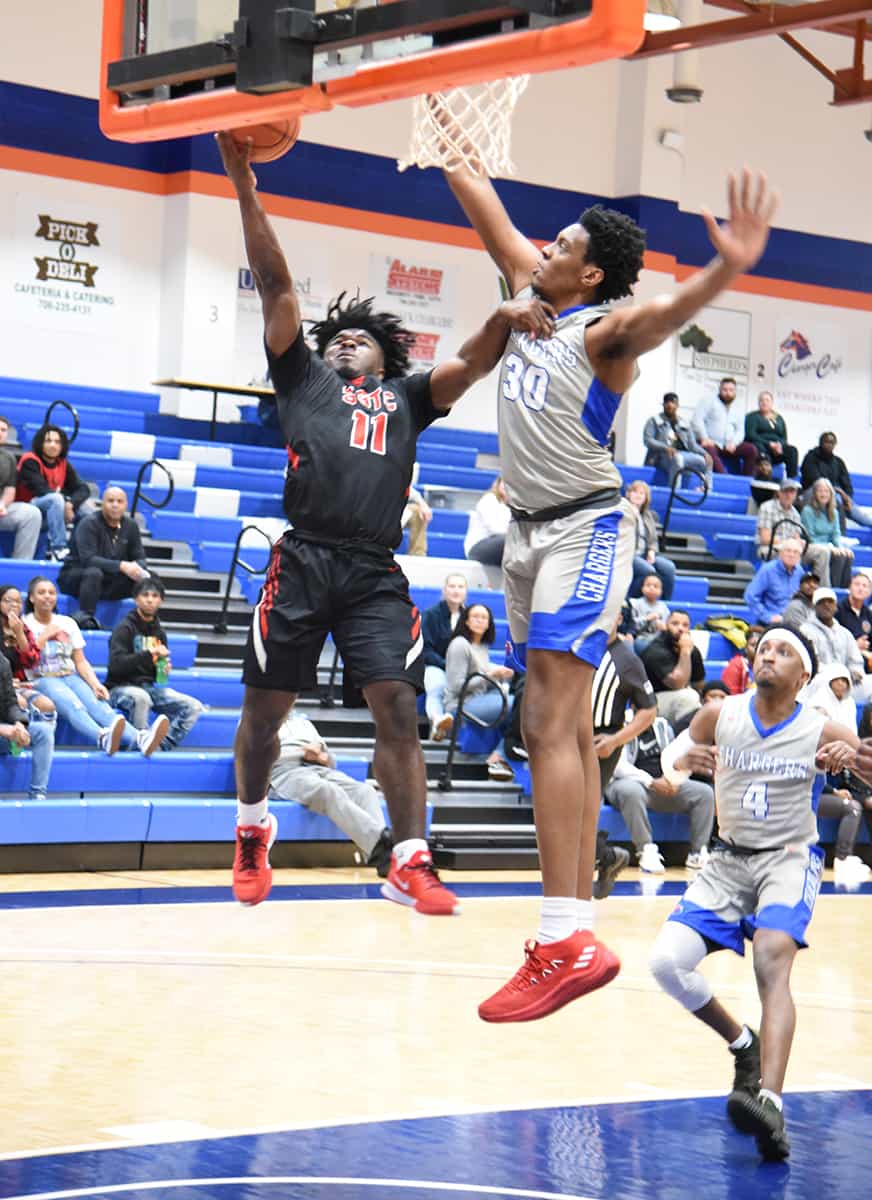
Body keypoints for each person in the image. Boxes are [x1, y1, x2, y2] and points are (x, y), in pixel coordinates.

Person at [442, 147, 777, 1022]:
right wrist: (443, 132)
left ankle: (565, 938)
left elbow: (664, 313)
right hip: (526, 535)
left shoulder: (603, 331)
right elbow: (483, 206)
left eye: (562, 242)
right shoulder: (529, 289)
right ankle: (574, 925)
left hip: (585, 525)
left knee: (553, 716)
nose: (541, 244)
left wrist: (725, 270)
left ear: (590, 272)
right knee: (543, 722)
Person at [216, 130, 552, 916]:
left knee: (398, 706)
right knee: (264, 713)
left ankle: (408, 858)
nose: (340, 342)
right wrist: (244, 184)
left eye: (356, 338)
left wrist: (506, 314)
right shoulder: (300, 379)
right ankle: (251, 826)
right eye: (334, 337)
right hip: (301, 560)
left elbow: (469, 364)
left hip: (371, 567)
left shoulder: (406, 399)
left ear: (383, 358)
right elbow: (275, 286)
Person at [650, 625, 872, 1159]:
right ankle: (742, 1044)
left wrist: (851, 762)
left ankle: (770, 1100)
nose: (768, 655)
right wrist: (680, 768)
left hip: (787, 860)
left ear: (804, 676)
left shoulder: (822, 729)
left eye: (783, 651)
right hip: (727, 861)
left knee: (771, 960)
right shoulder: (717, 715)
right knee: (665, 964)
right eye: (764, 648)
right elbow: (666, 772)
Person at [22, 576, 168, 756]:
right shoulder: (24, 624)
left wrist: (95, 684)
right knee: (73, 704)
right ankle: (101, 736)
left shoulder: (67, 623)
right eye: (41, 592)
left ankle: (140, 739)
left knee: (98, 705)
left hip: (69, 675)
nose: (47, 596)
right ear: (31, 598)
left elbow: (80, 661)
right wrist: (44, 636)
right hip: (41, 678)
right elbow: (24, 658)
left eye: (51, 592)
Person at [268, 710, 393, 877]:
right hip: (284, 772)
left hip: (317, 767)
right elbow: (252, 758)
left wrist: (320, 756)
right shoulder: (259, 720)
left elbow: (330, 761)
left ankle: (382, 858)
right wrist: (297, 754)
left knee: (365, 791)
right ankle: (383, 847)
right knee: (327, 790)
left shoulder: (304, 723)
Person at [604, 715, 715, 873]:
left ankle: (697, 854)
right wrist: (651, 782)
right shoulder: (620, 725)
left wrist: (675, 779)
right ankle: (645, 850)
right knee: (631, 791)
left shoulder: (662, 725)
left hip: (662, 783)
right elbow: (618, 767)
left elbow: (677, 758)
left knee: (704, 793)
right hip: (627, 783)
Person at [105, 577, 203, 751]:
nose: (150, 600)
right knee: (141, 698)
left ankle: (158, 747)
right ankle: (138, 748)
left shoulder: (160, 633)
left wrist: (162, 670)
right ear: (136, 599)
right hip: (119, 688)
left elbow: (159, 679)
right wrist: (148, 654)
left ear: (161, 600)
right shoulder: (124, 628)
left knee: (192, 706)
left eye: (155, 596)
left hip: (149, 688)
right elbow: (116, 665)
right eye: (145, 595)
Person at [58, 486, 152, 629]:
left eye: (119, 501)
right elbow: (88, 559)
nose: (115, 505)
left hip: (110, 580)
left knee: (151, 579)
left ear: (126, 505)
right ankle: (86, 619)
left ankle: (146, 623)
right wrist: (122, 565)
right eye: (110, 501)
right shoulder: (88, 523)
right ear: (102, 503)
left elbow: (140, 557)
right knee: (94, 572)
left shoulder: (131, 525)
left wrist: (137, 567)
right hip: (78, 577)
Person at [443, 603, 515, 781]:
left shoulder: (482, 647)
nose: (480, 620)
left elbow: (482, 680)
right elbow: (457, 686)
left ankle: (499, 755)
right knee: (519, 704)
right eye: (475, 616)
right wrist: (491, 675)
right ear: (466, 621)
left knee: (519, 701)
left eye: (484, 617)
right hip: (461, 705)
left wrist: (502, 676)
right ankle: (499, 757)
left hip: (479, 700)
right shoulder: (459, 644)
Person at [14, 424, 93, 561]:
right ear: (40, 443)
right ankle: (58, 548)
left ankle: (74, 553)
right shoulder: (30, 460)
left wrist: (70, 504)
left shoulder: (62, 463)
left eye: (57, 442)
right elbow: (42, 490)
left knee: (86, 511)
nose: (53, 445)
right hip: (27, 509)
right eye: (48, 441)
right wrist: (65, 502)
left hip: (53, 509)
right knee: (55, 499)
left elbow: (83, 488)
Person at [0, 652, 55, 801]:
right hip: (2, 731)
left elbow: (10, 703)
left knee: (43, 731)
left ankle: (38, 796)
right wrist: (3, 730)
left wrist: (20, 724)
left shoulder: (2, 662)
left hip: (5, 733)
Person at [800, 586, 870, 700]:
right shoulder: (805, 631)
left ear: (835, 607)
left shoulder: (844, 633)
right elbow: (811, 664)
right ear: (814, 607)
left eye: (830, 602)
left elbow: (856, 660)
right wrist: (836, 676)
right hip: (820, 683)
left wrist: (854, 672)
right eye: (822, 602)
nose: (826, 605)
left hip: (846, 682)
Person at [640, 609, 705, 729]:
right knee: (688, 697)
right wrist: (685, 652)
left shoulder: (692, 650)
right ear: (666, 626)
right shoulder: (655, 650)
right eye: (675, 624)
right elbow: (677, 683)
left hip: (675, 699)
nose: (680, 628)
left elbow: (699, 684)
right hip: (648, 703)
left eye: (685, 625)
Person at [0, 584, 57, 722]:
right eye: (8, 601)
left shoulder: (23, 628)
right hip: (4, 687)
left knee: (47, 705)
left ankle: (38, 739)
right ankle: (18, 740)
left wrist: (19, 633)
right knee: (21, 703)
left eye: (18, 601)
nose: (14, 605)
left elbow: (30, 661)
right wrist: (6, 682)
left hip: (21, 685)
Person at [421, 572, 468, 741]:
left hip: (461, 669)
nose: (456, 591)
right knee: (438, 686)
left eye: (460, 587)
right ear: (444, 590)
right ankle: (437, 721)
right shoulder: (431, 615)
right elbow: (425, 650)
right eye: (452, 586)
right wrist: (446, 666)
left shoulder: (470, 617)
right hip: (434, 665)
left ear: (466, 592)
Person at [642, 393, 712, 489]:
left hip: (683, 455)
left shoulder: (684, 423)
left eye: (673, 403)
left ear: (677, 405)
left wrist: (704, 453)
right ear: (663, 405)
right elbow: (647, 440)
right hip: (662, 457)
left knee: (706, 461)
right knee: (677, 459)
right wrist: (666, 448)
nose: (670, 405)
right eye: (667, 403)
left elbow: (692, 445)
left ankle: (706, 488)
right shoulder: (654, 421)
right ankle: (675, 490)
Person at [690, 377, 758, 476]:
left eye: (731, 390)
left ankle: (746, 480)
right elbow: (697, 420)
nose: (727, 393)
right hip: (711, 443)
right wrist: (704, 437)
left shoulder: (738, 408)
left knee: (751, 450)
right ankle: (724, 478)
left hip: (729, 445)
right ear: (720, 390)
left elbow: (740, 431)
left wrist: (734, 443)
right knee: (709, 450)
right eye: (724, 390)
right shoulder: (708, 401)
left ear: (735, 392)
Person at [625, 479, 676, 600]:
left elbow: (653, 539)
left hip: (644, 554)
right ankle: (632, 600)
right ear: (628, 494)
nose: (638, 495)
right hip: (629, 554)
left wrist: (652, 551)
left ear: (646, 498)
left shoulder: (648, 515)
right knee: (648, 570)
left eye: (642, 493)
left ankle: (663, 602)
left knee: (669, 567)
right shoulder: (623, 511)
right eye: (635, 492)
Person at [0, 415, 42, 560]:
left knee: (32, 514)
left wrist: (2, 504)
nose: (0, 432)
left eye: (3, 430)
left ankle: (20, 564)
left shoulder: (9, 458)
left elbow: (9, 490)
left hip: (1, 512)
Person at [801, 478, 853, 588]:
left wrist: (840, 547)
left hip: (828, 547)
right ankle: (831, 589)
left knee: (846, 555)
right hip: (812, 546)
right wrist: (829, 547)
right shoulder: (807, 511)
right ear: (815, 493)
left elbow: (836, 534)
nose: (823, 494)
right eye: (820, 491)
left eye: (826, 491)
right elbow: (809, 536)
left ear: (831, 494)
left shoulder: (834, 512)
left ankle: (842, 590)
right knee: (833, 554)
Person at [743, 537, 805, 626]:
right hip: (772, 623)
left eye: (795, 552)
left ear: (799, 556)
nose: (791, 555)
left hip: (794, 622)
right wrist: (767, 617)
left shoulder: (800, 571)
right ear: (780, 553)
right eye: (788, 551)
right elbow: (750, 596)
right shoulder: (768, 570)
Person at [744, 390, 798, 478]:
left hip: (777, 451)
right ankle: (763, 477)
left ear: (772, 403)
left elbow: (784, 437)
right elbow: (751, 435)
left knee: (792, 451)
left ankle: (791, 480)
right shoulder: (752, 417)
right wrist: (769, 444)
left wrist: (779, 445)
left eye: (767, 400)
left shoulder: (779, 418)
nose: (764, 403)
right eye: (762, 400)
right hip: (761, 447)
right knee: (758, 446)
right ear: (758, 403)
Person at [464, 477, 511, 567]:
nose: (507, 486)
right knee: (510, 540)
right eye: (504, 482)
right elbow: (496, 529)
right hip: (478, 547)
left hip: (502, 548)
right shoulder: (488, 500)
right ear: (498, 483)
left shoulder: (517, 507)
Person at [836, 571, 872, 678]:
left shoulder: (868, 613)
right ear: (849, 587)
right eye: (857, 584)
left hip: (866, 656)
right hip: (845, 659)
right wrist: (855, 645)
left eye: (864, 586)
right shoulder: (838, 610)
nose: (860, 588)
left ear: (869, 592)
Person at [628, 572, 670, 650]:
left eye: (656, 586)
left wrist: (664, 627)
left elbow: (667, 626)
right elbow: (631, 625)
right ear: (642, 588)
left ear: (661, 591)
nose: (651, 588)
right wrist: (646, 619)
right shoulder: (634, 603)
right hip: (641, 638)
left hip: (659, 639)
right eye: (648, 585)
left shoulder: (663, 607)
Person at [721, 627, 762, 695]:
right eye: (753, 645)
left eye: (760, 645)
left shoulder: (769, 665)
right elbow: (731, 697)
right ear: (746, 648)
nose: (757, 649)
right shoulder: (737, 664)